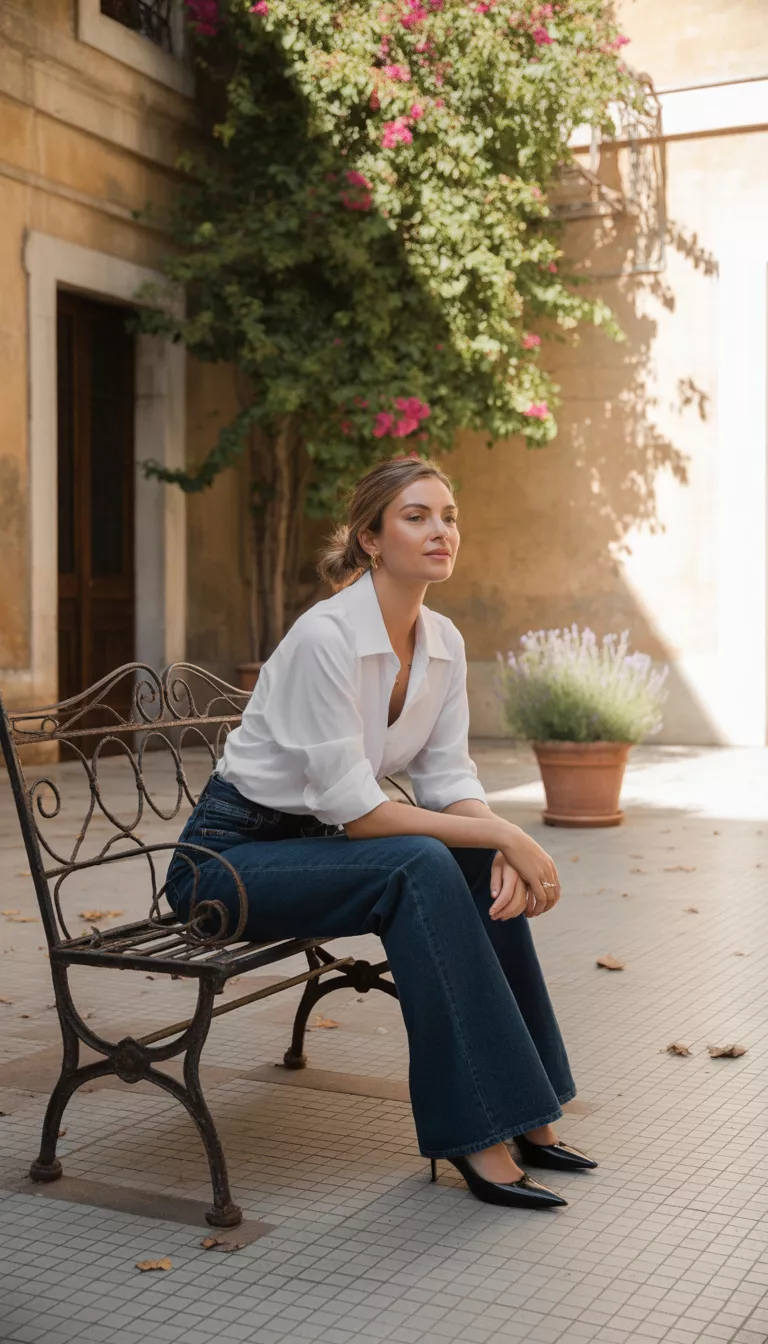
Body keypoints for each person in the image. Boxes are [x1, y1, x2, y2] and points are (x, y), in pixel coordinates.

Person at [166, 456, 596, 1209]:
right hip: (227, 864)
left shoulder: (444, 642)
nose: (441, 531)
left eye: (449, 515)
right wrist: (514, 840)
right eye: (416, 516)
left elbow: (448, 780)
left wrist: (491, 835)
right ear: (370, 538)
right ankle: (477, 1131)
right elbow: (361, 815)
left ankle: (530, 1112)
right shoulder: (326, 636)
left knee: (459, 860)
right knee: (423, 863)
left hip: (316, 850)